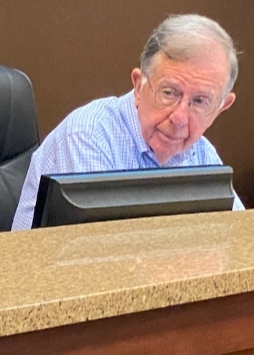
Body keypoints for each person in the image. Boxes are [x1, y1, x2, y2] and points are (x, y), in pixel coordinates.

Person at [12, 13, 242, 231]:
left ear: (221, 108)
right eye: (169, 93)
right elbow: (102, 261)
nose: (180, 118)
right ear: (138, 85)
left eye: (200, 101)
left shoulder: (202, 155)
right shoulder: (87, 137)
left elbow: (240, 245)